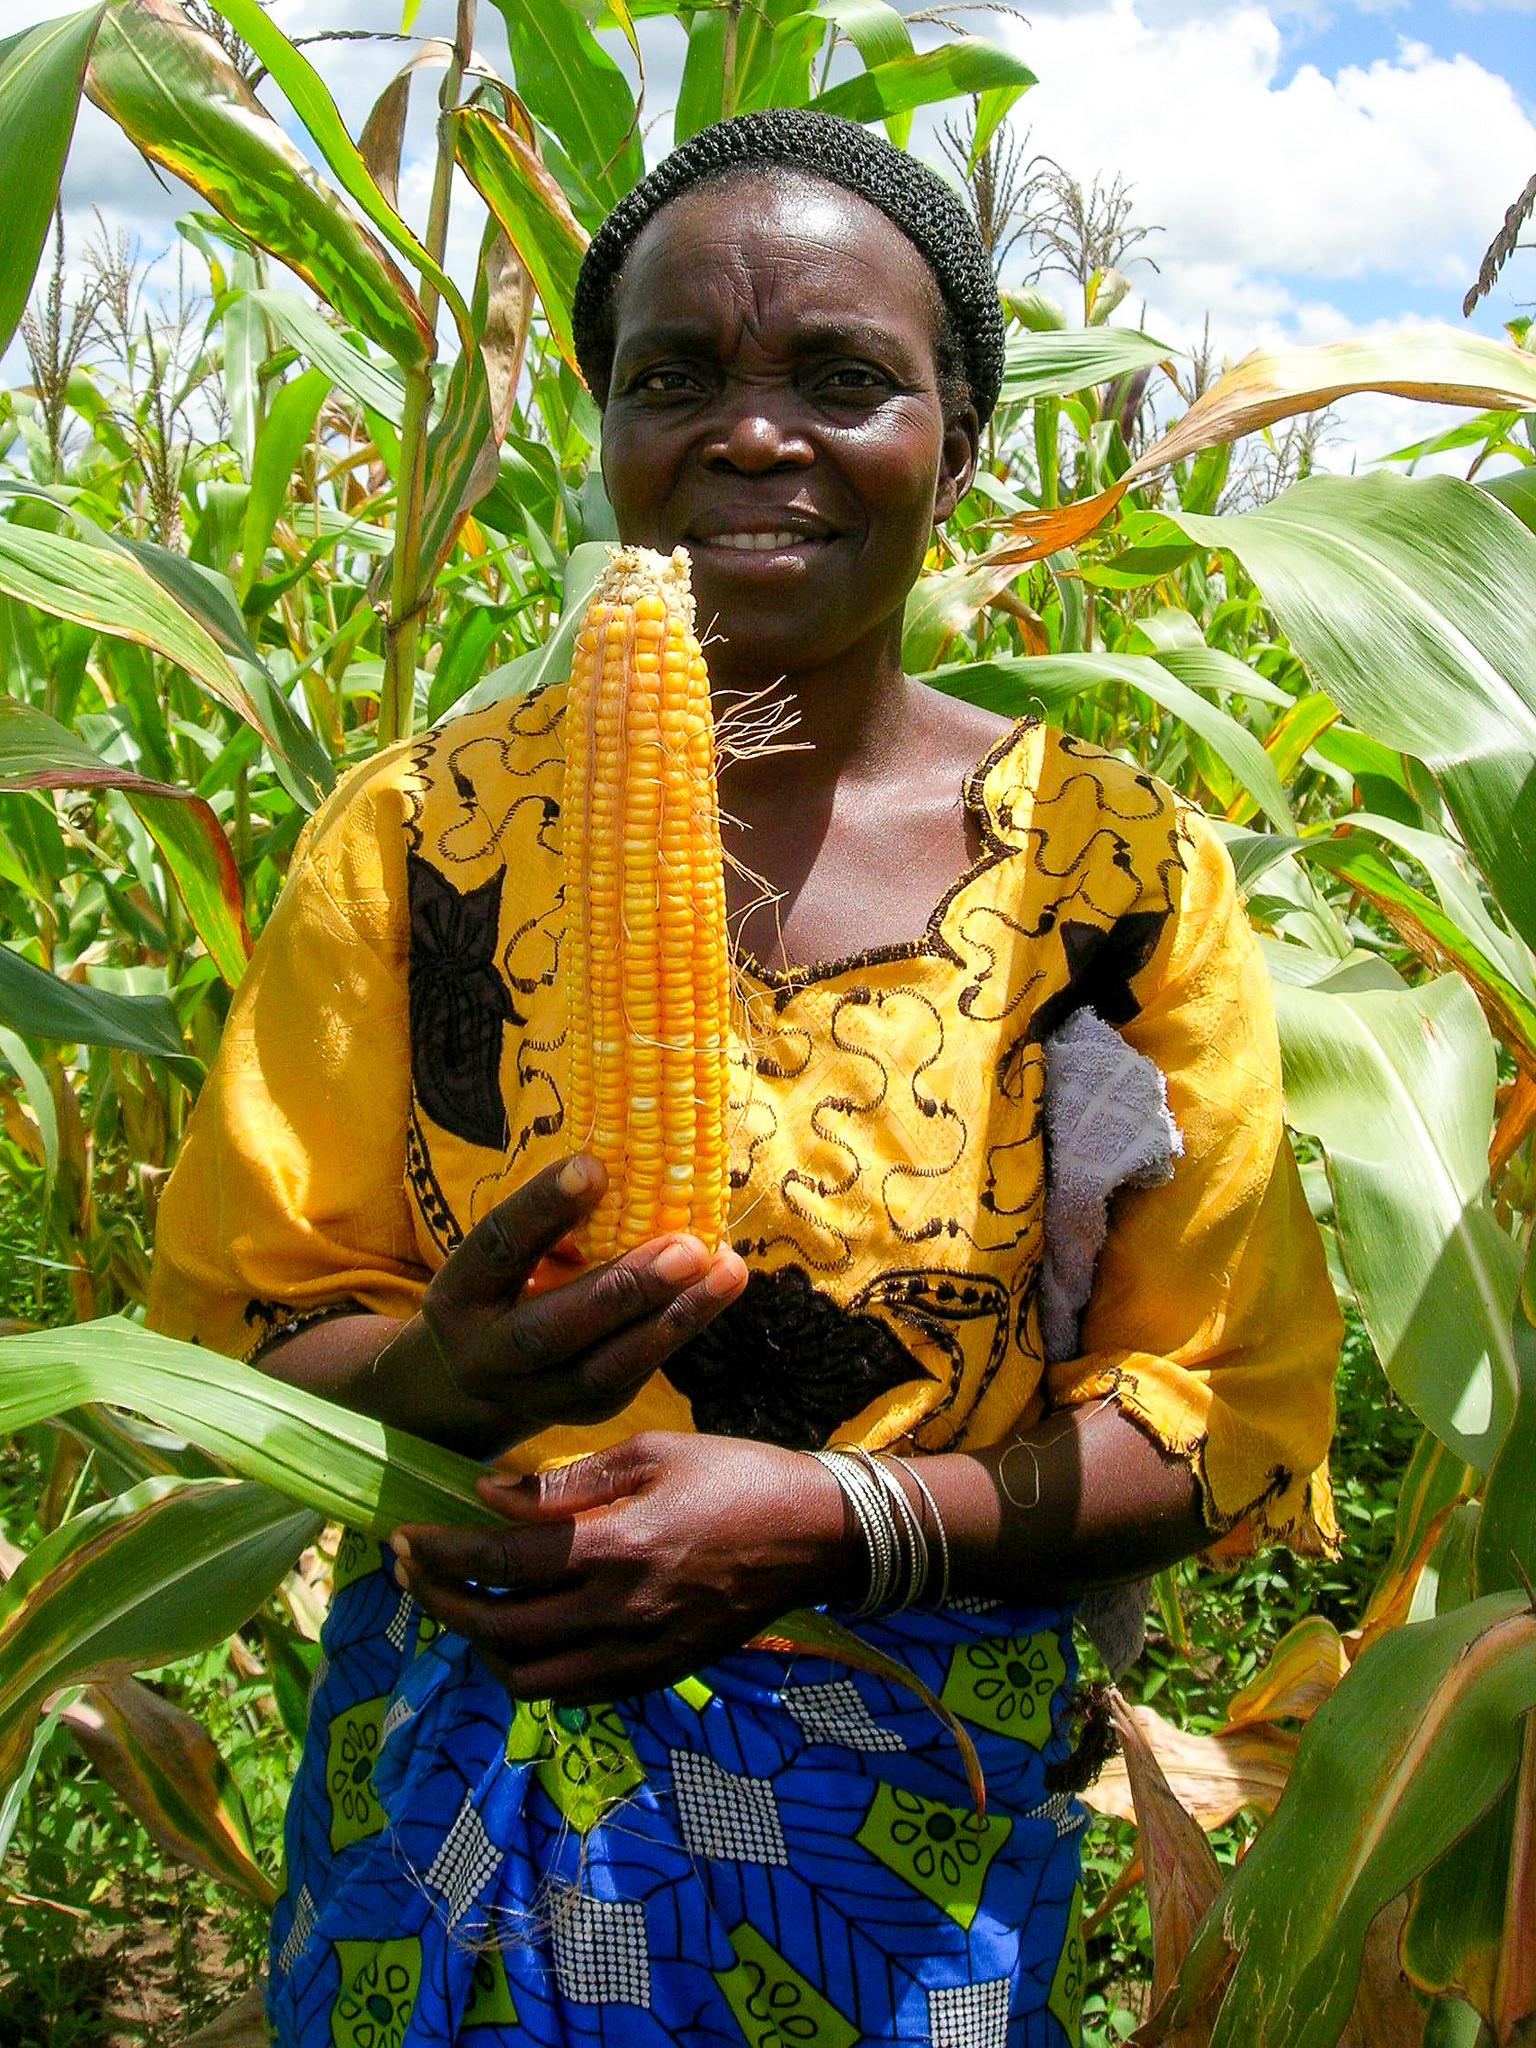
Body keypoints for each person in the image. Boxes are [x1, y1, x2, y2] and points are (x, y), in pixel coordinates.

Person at [148, 109, 1340, 2048]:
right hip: (455, 1806)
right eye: (673, 374)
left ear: (958, 440)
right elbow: (242, 1324)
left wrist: (829, 1518)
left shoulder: (1105, 896)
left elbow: (1217, 1413)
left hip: (894, 1850)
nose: (752, 433)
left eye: (845, 379)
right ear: (607, 431)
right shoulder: (418, 847)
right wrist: (445, 1381)